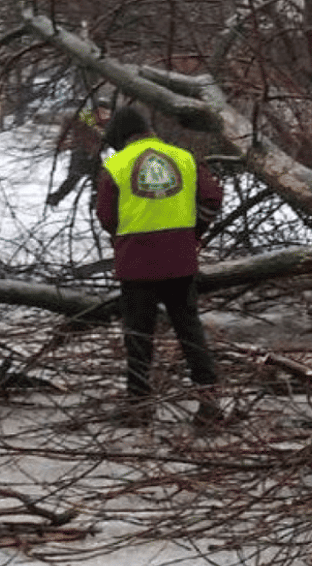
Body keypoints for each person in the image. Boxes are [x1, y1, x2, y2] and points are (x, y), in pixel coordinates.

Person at [96, 106, 224, 424]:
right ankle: (209, 402)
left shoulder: (116, 165)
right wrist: (192, 233)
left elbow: (106, 216)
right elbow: (212, 197)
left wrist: (123, 239)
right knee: (190, 330)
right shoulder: (184, 158)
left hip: (136, 264)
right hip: (180, 261)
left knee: (139, 336)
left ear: (121, 137)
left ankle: (139, 407)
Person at [46, 105, 109, 207]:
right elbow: (68, 126)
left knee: (96, 180)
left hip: (91, 153)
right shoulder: (85, 119)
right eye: (102, 111)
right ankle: (55, 198)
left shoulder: (99, 122)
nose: (104, 114)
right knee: (76, 178)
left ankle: (95, 202)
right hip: (82, 153)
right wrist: (61, 143)